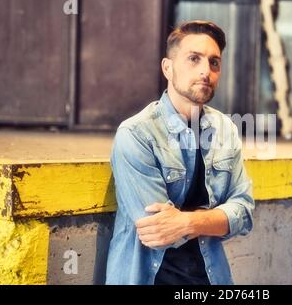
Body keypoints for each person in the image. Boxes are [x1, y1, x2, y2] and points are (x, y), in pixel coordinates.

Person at [105, 20, 255, 285]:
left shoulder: (225, 129)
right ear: (168, 67)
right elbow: (158, 231)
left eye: (214, 62)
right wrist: (215, 219)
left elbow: (243, 212)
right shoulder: (137, 134)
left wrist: (186, 223)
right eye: (193, 59)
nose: (205, 71)